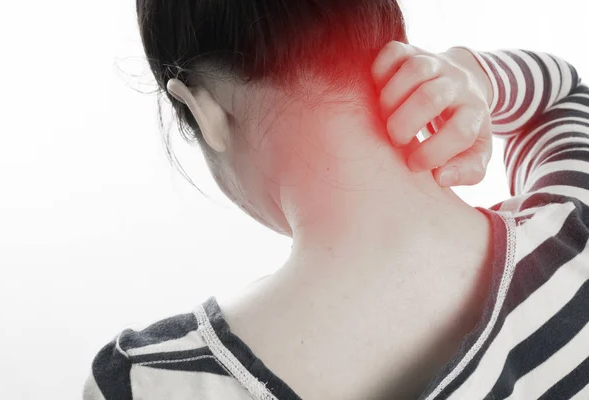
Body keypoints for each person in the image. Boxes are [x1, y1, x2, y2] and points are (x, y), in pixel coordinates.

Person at [84, 1, 589, 399]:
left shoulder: (150, 383)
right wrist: (473, 73)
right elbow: (565, 93)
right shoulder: (572, 234)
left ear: (203, 108)